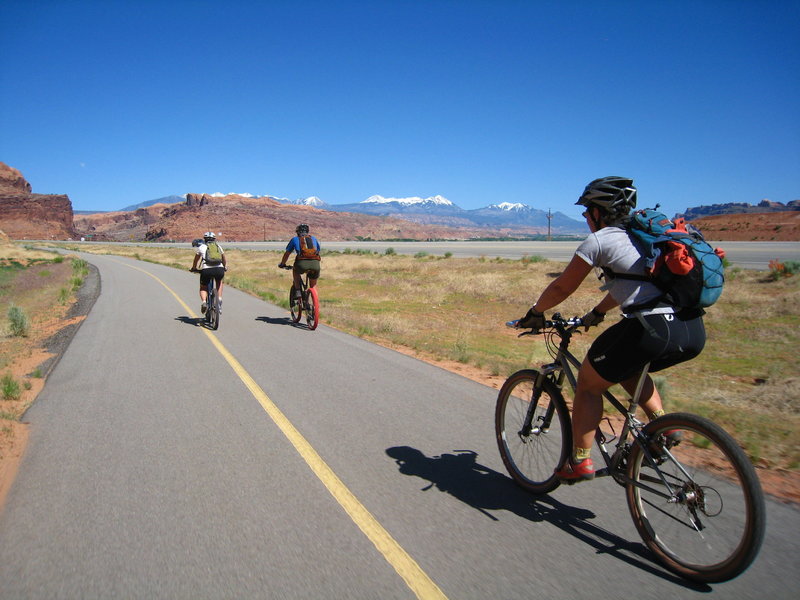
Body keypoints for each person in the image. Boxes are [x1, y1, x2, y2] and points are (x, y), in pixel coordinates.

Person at [515, 176, 706, 483]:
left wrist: (535, 313)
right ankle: (662, 427)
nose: (584, 216)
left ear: (599, 212)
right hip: (692, 329)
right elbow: (627, 286)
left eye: (587, 210)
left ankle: (579, 461)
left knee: (589, 385)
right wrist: (596, 313)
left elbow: (563, 286)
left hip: (651, 329)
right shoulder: (645, 238)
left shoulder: (601, 240)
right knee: (627, 366)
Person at [278, 224, 321, 301]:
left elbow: (287, 253)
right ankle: (315, 304)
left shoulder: (295, 239)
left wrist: (282, 264)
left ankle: (298, 290)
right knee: (313, 285)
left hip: (301, 264)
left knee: (295, 270)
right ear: (307, 231)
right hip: (315, 264)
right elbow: (318, 250)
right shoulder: (313, 238)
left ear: (297, 232)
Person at [191, 231, 227, 314]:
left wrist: (194, 268)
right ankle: (219, 299)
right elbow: (224, 258)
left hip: (206, 270)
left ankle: (204, 302)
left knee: (203, 287)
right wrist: (224, 267)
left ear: (205, 239)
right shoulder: (218, 246)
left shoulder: (202, 247)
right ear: (214, 239)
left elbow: (196, 259)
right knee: (219, 281)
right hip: (219, 269)